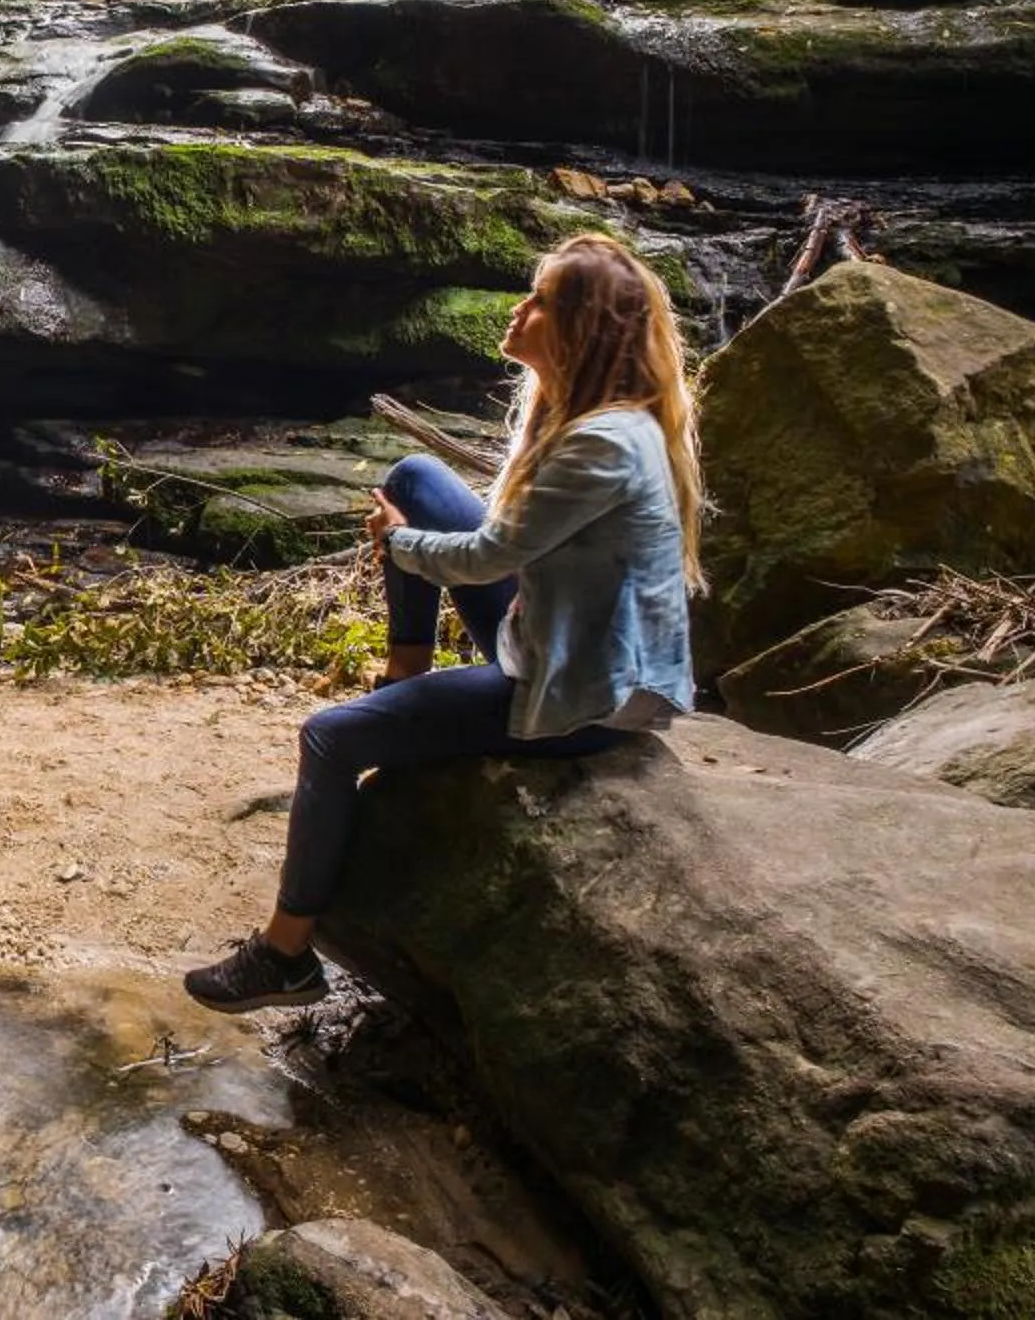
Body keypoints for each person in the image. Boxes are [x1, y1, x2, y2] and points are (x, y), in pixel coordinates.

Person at [182, 233, 705, 1013]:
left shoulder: (602, 443)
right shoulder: (586, 415)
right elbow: (506, 546)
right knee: (418, 477)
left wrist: (398, 541)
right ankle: (406, 674)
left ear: (579, 328)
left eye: (538, 300)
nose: (517, 309)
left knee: (329, 737)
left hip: (589, 692)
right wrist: (413, 533)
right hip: (558, 630)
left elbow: (490, 556)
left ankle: (284, 956)